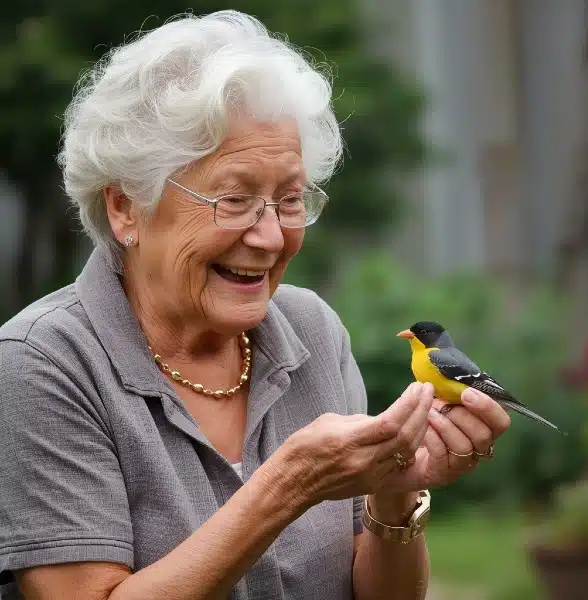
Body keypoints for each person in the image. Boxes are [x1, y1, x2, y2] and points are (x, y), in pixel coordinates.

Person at [0, 10, 511, 600]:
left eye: (290, 199)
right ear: (125, 208)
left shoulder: (312, 330)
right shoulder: (41, 365)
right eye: (235, 198)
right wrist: (286, 486)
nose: (270, 237)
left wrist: (394, 489)